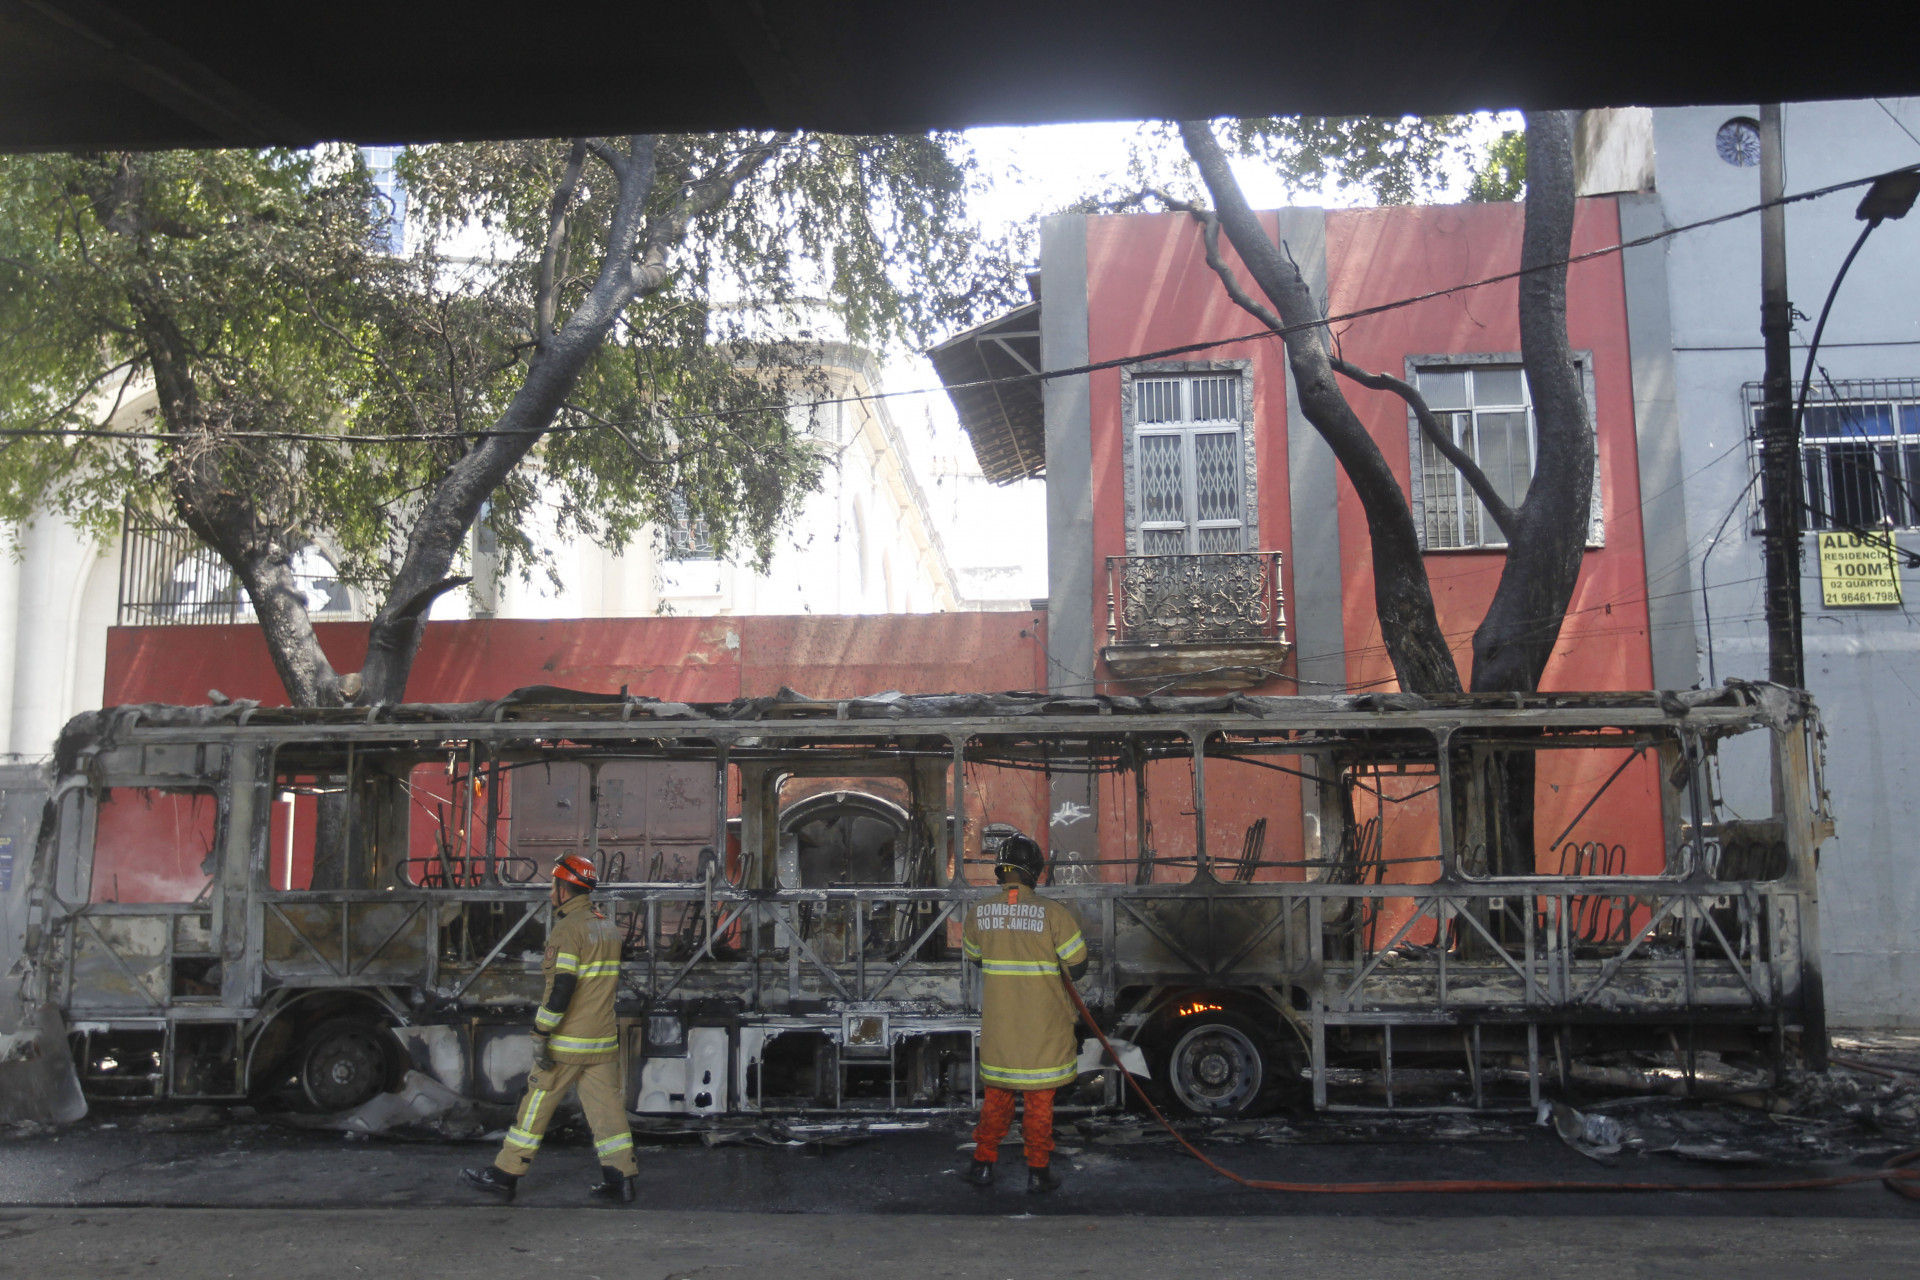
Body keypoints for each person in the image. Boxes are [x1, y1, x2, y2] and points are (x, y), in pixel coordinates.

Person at [462, 853, 638, 1203]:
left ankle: (504, 1174)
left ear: (563, 889)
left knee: (536, 1104)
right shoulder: (606, 926)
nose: (550, 893)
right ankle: (622, 1178)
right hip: (601, 1040)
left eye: (553, 886)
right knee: (607, 1110)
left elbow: (562, 988)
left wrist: (542, 1032)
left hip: (567, 1042)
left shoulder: (568, 929)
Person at [960, 832, 1088, 1193]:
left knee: (996, 1100)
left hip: (1001, 1029)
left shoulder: (978, 911)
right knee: (1038, 1102)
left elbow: (975, 955)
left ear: (1001, 871)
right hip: (1042, 1029)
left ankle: (982, 1164)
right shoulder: (1053, 914)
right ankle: (1038, 1173)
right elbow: (1077, 965)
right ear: (1034, 871)